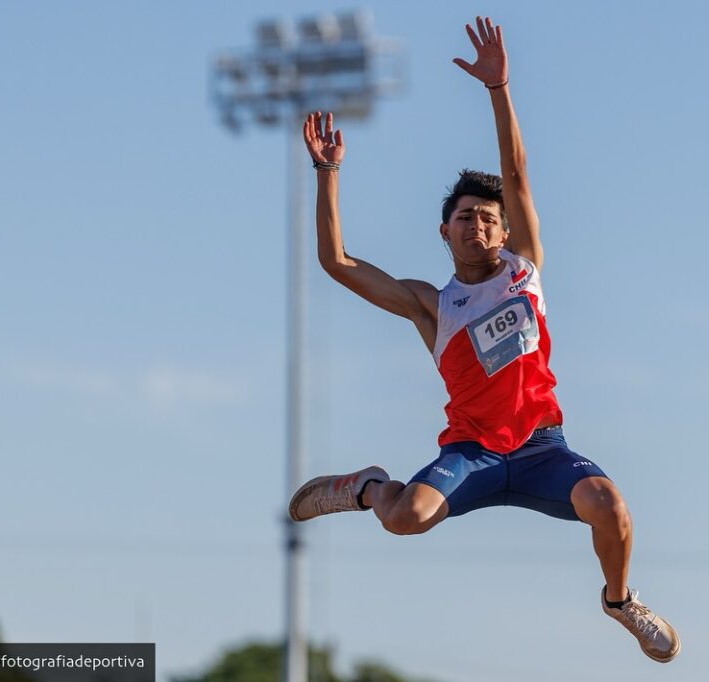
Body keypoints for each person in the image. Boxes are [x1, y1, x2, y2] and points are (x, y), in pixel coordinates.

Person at [289, 16, 679, 664]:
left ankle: (618, 602)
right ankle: (364, 486)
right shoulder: (432, 304)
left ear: (504, 232)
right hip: (471, 454)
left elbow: (517, 173)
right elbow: (337, 262)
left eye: (490, 218)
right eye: (466, 217)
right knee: (406, 516)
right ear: (444, 231)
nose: (480, 225)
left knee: (610, 505)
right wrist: (326, 174)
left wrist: (499, 89)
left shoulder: (525, 268)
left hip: (542, 451)